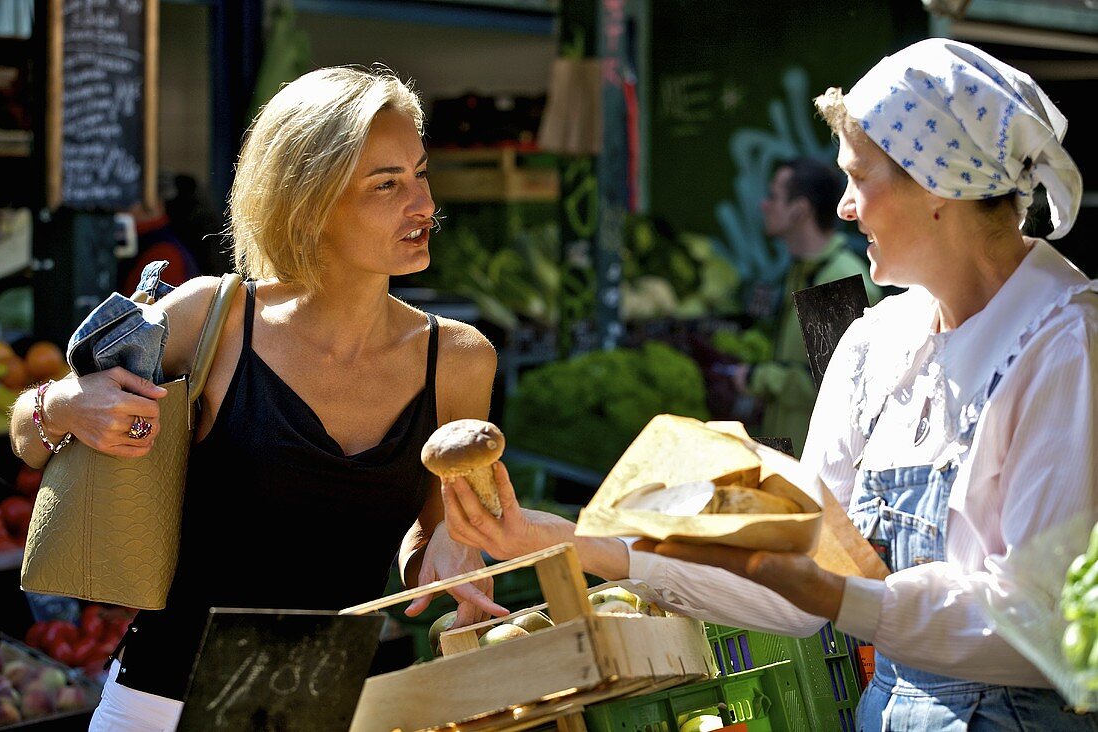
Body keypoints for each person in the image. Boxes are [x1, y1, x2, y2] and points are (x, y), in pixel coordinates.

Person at [440, 39, 1098, 730]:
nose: (843, 207)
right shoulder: (874, 345)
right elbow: (796, 594)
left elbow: (1045, 627)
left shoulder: (1067, 348)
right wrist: (579, 543)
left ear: (937, 185)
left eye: (859, 177)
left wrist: (841, 595)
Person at [10, 66, 504, 729]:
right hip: (161, 705)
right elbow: (27, 432)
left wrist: (448, 550)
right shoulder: (207, 318)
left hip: (328, 708)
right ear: (309, 200)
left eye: (419, 173)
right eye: (386, 185)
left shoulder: (460, 361)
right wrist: (67, 407)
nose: (422, 205)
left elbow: (433, 526)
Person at [735, 157, 882, 456]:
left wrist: (757, 378)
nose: (764, 205)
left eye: (773, 196)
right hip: (790, 462)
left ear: (800, 210)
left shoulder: (836, 278)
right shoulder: (804, 270)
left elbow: (834, 390)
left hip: (818, 474)